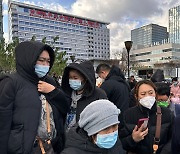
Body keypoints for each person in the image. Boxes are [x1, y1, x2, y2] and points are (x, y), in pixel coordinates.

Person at [0, 41, 71, 153]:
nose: (45, 65)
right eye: (41, 60)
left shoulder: (50, 81)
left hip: (50, 147)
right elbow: (3, 124)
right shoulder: (11, 83)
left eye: (48, 61)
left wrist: (53, 92)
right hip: (23, 149)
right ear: (29, 59)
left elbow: (65, 107)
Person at [119, 80, 174, 154]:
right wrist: (133, 139)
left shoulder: (167, 113)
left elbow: (173, 138)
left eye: (151, 93)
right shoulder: (128, 114)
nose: (147, 96)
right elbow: (121, 142)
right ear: (136, 96)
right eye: (143, 94)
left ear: (155, 93)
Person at [61, 60, 107, 131]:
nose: (72, 80)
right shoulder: (67, 93)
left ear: (85, 78)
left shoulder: (98, 94)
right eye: (70, 77)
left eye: (75, 78)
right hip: (66, 136)